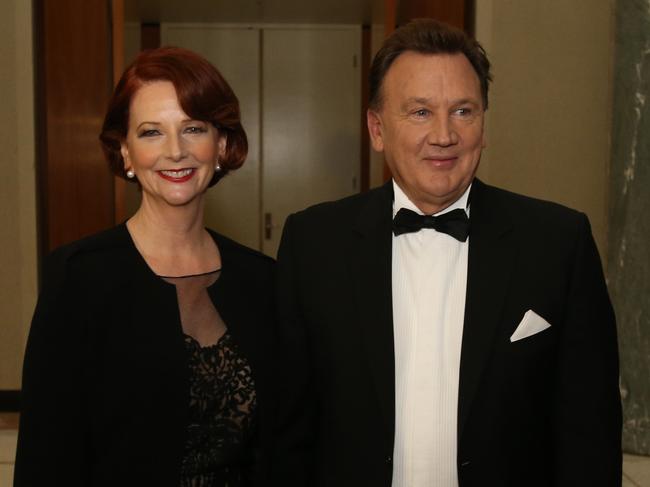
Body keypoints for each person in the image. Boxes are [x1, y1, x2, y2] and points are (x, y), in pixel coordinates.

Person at [273, 19, 622, 487]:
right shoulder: (313, 243)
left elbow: (589, 433)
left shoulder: (559, 243)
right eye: (419, 112)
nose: (444, 135)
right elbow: (287, 432)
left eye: (463, 111)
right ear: (377, 128)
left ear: (484, 124)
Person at [15, 47, 276, 486]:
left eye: (193, 128)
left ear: (222, 144)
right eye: (152, 132)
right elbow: (47, 454)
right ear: (125, 153)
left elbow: (282, 445)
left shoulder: (264, 280)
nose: (175, 151)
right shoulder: (80, 277)